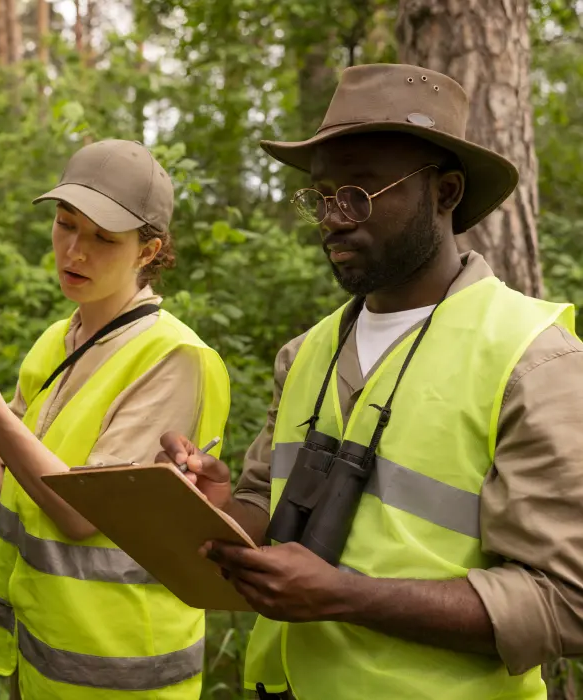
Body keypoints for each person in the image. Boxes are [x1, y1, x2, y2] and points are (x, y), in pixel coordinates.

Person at [157, 63, 583, 700]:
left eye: (358, 192)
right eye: (320, 197)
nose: (333, 218)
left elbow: (566, 599)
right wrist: (215, 508)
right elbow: (265, 515)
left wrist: (348, 597)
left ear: (445, 193)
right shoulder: (306, 354)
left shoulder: (533, 360)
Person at [0, 139, 231, 699]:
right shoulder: (58, 340)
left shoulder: (175, 360)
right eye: (66, 224)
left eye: (103, 238)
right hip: (41, 660)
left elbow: (78, 516)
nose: (75, 251)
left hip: (127, 676)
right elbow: (9, 489)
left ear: (149, 251)